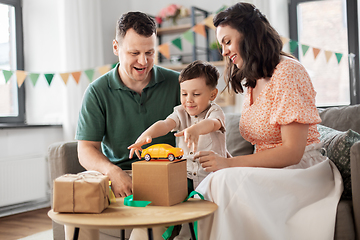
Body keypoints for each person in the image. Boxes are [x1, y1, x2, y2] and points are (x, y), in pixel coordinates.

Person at [194, 3, 343, 240]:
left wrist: (231, 165)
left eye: (227, 41)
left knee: (222, 180)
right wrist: (227, 160)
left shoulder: (288, 72)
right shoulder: (252, 80)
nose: (223, 52)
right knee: (215, 180)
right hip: (271, 170)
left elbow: (292, 152)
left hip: (302, 171)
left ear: (249, 35)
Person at [72, 11, 181, 240]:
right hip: (118, 177)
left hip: (165, 177)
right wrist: (113, 171)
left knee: (147, 229)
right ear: (116, 47)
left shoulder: (177, 84)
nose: (143, 62)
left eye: (150, 52)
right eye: (134, 53)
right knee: (75, 211)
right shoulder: (97, 91)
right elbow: (85, 149)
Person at [128, 60, 227, 240]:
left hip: (211, 179)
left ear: (212, 94)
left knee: (204, 221)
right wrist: (146, 135)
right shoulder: (181, 112)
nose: (189, 99)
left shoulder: (215, 112)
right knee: (172, 207)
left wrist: (196, 129)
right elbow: (166, 124)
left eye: (196, 94)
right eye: (184, 93)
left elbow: (213, 124)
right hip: (185, 177)